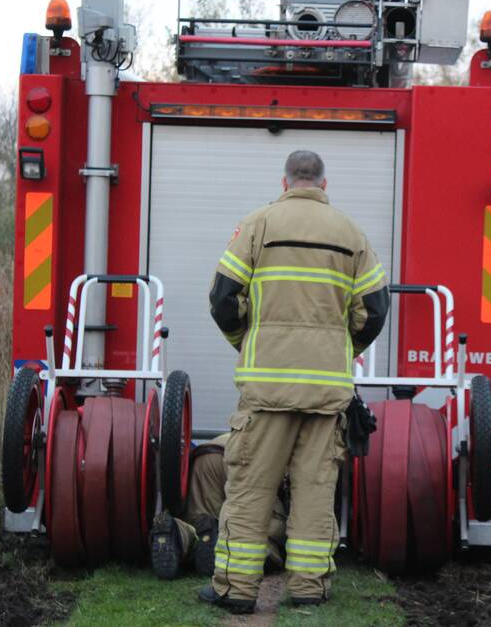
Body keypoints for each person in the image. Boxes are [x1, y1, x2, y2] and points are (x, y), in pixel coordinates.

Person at [200, 150, 389, 614]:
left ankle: (236, 591)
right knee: (315, 490)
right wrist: (341, 352)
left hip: (267, 391)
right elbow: (376, 310)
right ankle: (308, 588)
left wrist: (249, 343)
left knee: (249, 490)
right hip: (327, 394)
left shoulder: (258, 225)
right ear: (324, 185)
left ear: (284, 184)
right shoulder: (351, 233)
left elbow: (223, 299)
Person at [149, 434, 287, 579]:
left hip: (205, 458)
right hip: (244, 465)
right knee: (261, 524)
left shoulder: (254, 431)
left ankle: (177, 533)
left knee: (200, 521)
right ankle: (260, 554)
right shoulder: (297, 452)